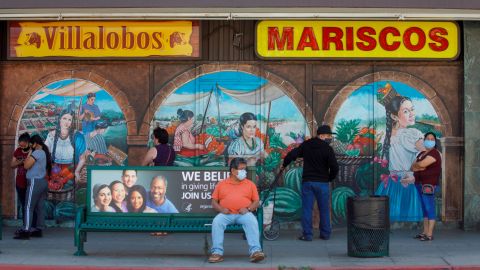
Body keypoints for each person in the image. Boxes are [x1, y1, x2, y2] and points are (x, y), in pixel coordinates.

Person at [375, 83, 424, 222]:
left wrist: (417, 176)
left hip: (406, 181)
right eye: (406, 111)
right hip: (394, 181)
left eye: (412, 109)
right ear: (394, 116)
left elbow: (429, 157)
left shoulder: (412, 134)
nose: (412, 114)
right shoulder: (391, 135)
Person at [282, 125, 339, 241]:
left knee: (307, 209)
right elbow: (335, 167)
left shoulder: (307, 145)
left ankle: (307, 235)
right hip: (322, 183)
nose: (329, 138)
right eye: (328, 136)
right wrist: (330, 178)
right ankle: (325, 234)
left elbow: (293, 154)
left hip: (308, 182)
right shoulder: (327, 149)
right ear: (321, 135)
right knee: (324, 209)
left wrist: (284, 164)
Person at [208, 157, 265, 263]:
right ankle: (217, 252)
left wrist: (248, 209)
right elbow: (214, 202)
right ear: (233, 171)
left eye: (245, 169)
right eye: (241, 169)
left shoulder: (250, 184)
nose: (244, 172)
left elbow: (256, 201)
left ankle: (255, 251)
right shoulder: (222, 184)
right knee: (217, 221)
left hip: (243, 214)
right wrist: (221, 209)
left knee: (252, 221)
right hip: (226, 214)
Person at [14, 135, 52, 240]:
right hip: (42, 182)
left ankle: (26, 230)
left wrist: (30, 152)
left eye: (31, 144)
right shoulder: (44, 153)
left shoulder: (37, 153)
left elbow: (26, 165)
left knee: (28, 207)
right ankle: (38, 230)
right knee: (40, 207)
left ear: (35, 143)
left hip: (35, 182)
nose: (30, 146)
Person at [411, 132, 442, 241]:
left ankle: (429, 234)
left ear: (435, 141)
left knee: (429, 208)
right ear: (424, 140)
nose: (429, 140)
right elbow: (412, 167)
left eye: (432, 139)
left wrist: (419, 166)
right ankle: (424, 232)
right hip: (419, 184)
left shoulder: (435, 153)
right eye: (427, 138)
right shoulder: (421, 154)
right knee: (424, 208)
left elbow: (421, 165)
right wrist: (418, 166)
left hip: (429, 185)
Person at [44, 109, 86, 182]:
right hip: (54, 168)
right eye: (64, 118)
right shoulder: (51, 135)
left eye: (69, 120)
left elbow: (82, 158)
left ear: (72, 122)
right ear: (60, 119)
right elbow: (45, 154)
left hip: (71, 169)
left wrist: (77, 171)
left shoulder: (78, 136)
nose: (66, 122)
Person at [11, 132, 37, 235]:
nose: (21, 147)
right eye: (20, 145)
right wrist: (21, 162)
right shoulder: (17, 151)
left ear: (28, 143)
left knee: (31, 206)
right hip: (20, 183)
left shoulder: (33, 152)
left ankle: (33, 227)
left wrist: (26, 158)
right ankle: (25, 225)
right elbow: (12, 164)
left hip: (31, 182)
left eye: (23, 145)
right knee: (23, 205)